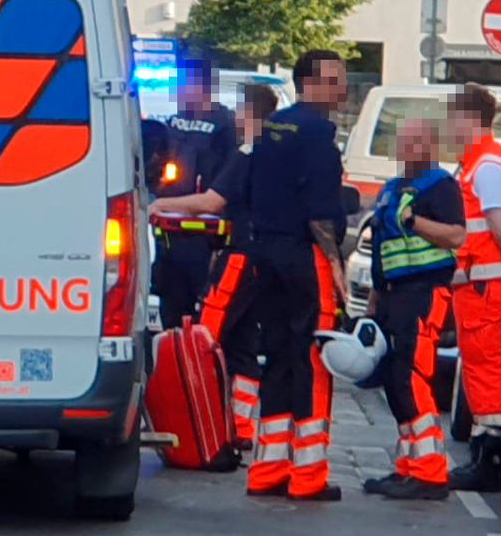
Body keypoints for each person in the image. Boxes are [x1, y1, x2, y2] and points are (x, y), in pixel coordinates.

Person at [147, 83, 277, 450]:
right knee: (243, 341)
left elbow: (212, 201)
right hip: (266, 257)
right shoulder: (277, 151)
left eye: (240, 111)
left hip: (241, 254)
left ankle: (203, 422)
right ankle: (241, 427)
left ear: (249, 113)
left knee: (207, 337)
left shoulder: (248, 151)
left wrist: (161, 205)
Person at [245, 50, 349, 502]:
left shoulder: (272, 127)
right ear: (309, 82)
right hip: (304, 255)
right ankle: (308, 475)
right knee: (312, 359)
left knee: (277, 355)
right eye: (334, 79)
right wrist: (335, 264)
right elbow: (321, 210)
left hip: (265, 251)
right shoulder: (318, 132)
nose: (342, 88)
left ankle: (267, 469)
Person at [361, 117, 464, 500]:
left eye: (414, 141)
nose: (406, 148)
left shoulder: (440, 185)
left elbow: (456, 235)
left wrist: (415, 221)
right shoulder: (391, 189)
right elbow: (381, 249)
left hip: (424, 292)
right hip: (392, 294)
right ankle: (407, 467)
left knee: (413, 377)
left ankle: (430, 473)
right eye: (402, 141)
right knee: (395, 381)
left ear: (429, 146)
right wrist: (373, 302)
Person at [445, 83, 501, 493]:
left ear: (470, 119)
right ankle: (485, 449)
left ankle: (489, 455)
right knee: (478, 364)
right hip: (475, 281)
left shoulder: (486, 165)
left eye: (453, 118)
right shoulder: (478, 162)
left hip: (483, 282)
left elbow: (499, 225)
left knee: (484, 366)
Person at [148, 56, 239, 329]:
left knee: (203, 322)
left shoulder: (227, 127)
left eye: (181, 84)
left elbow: (219, 196)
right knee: (171, 318)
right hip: (169, 240)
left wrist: (163, 204)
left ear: (202, 86)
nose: (177, 92)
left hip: (206, 242)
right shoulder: (174, 122)